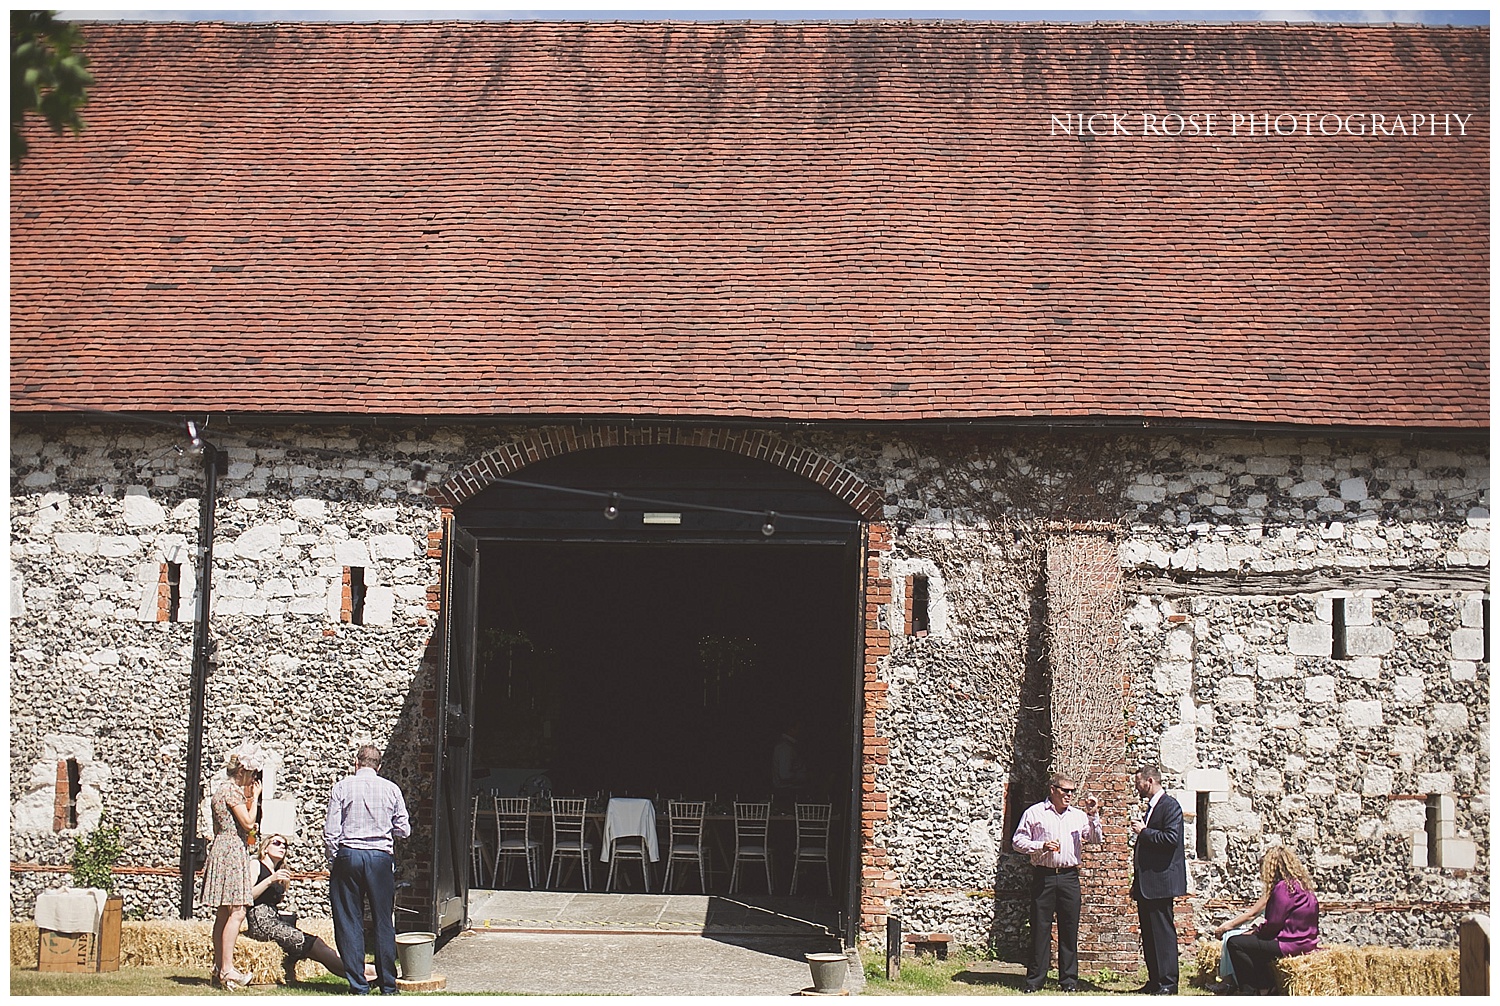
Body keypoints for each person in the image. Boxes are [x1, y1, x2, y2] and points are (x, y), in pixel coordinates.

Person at [324, 744, 411, 996]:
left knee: (349, 920)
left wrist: (334, 858)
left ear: (356, 762)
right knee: (384, 921)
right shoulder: (391, 788)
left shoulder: (342, 786)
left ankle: (358, 984)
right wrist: (386, 831)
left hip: (349, 854)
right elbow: (404, 829)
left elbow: (331, 832)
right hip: (380, 857)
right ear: (379, 766)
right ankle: (388, 985)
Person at [1011, 773, 1104, 993]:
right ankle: (1035, 980)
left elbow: (1095, 838)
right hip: (1044, 875)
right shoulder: (1034, 813)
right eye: (1065, 791)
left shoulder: (1079, 816)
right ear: (1052, 789)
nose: (1069, 795)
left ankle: (1069, 980)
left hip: (1069, 877)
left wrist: (1093, 815)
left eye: (1072, 791)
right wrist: (1041, 846)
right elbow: (1017, 841)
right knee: (1040, 928)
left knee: (1069, 928)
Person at [247, 833, 366, 987]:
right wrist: (271, 880)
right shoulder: (256, 865)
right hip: (261, 922)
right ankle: (366, 973)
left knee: (316, 946)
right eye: (276, 843)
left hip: (274, 920)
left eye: (285, 845)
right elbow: (247, 897)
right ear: (265, 848)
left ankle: (365, 973)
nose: (282, 846)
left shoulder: (279, 871)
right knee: (314, 945)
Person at [200, 741, 263, 990]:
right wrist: (255, 799)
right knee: (237, 911)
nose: (253, 780)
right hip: (231, 851)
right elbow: (248, 822)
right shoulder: (232, 791)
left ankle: (219, 967)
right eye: (251, 775)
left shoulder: (220, 791)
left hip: (222, 847)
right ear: (241, 772)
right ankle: (227, 968)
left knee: (224, 912)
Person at [1220, 846, 1320, 995]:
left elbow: (1273, 924)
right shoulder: (1302, 886)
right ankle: (1267, 986)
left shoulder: (1283, 888)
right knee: (1256, 946)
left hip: (1290, 944)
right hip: (1306, 941)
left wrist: (1255, 932)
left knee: (1235, 943)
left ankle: (1250, 990)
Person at [1130, 764, 1188, 995]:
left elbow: (1171, 839)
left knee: (1163, 933)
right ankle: (1154, 980)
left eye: (1139, 783)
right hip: (1147, 884)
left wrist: (1144, 832)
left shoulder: (1169, 806)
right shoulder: (1152, 807)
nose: (1137, 787)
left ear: (1150, 781)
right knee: (1149, 934)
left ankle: (1168, 983)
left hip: (1161, 883)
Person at [771, 720, 808, 794]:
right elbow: (784, 775)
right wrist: (805, 777)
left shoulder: (789, 746)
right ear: (791, 729)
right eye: (799, 728)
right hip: (788, 793)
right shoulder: (786, 748)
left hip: (789, 791)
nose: (802, 731)